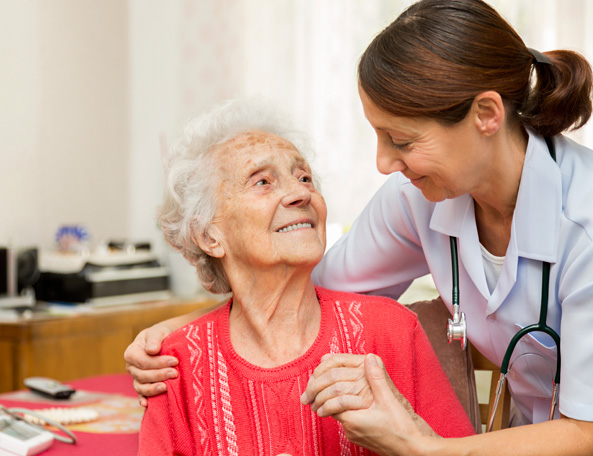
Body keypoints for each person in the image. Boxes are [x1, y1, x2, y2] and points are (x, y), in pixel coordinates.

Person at [126, 0, 593, 453]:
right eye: (378, 135)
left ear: (487, 115)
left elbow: (586, 430)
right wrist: (187, 332)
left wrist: (421, 450)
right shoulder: (417, 198)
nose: (383, 162)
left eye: (402, 140)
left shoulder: (584, 220)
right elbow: (302, 291)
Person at [136, 99, 475, 455]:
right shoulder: (174, 364)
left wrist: (401, 428)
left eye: (304, 178)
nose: (301, 193)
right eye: (263, 182)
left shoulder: (392, 331)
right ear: (208, 236)